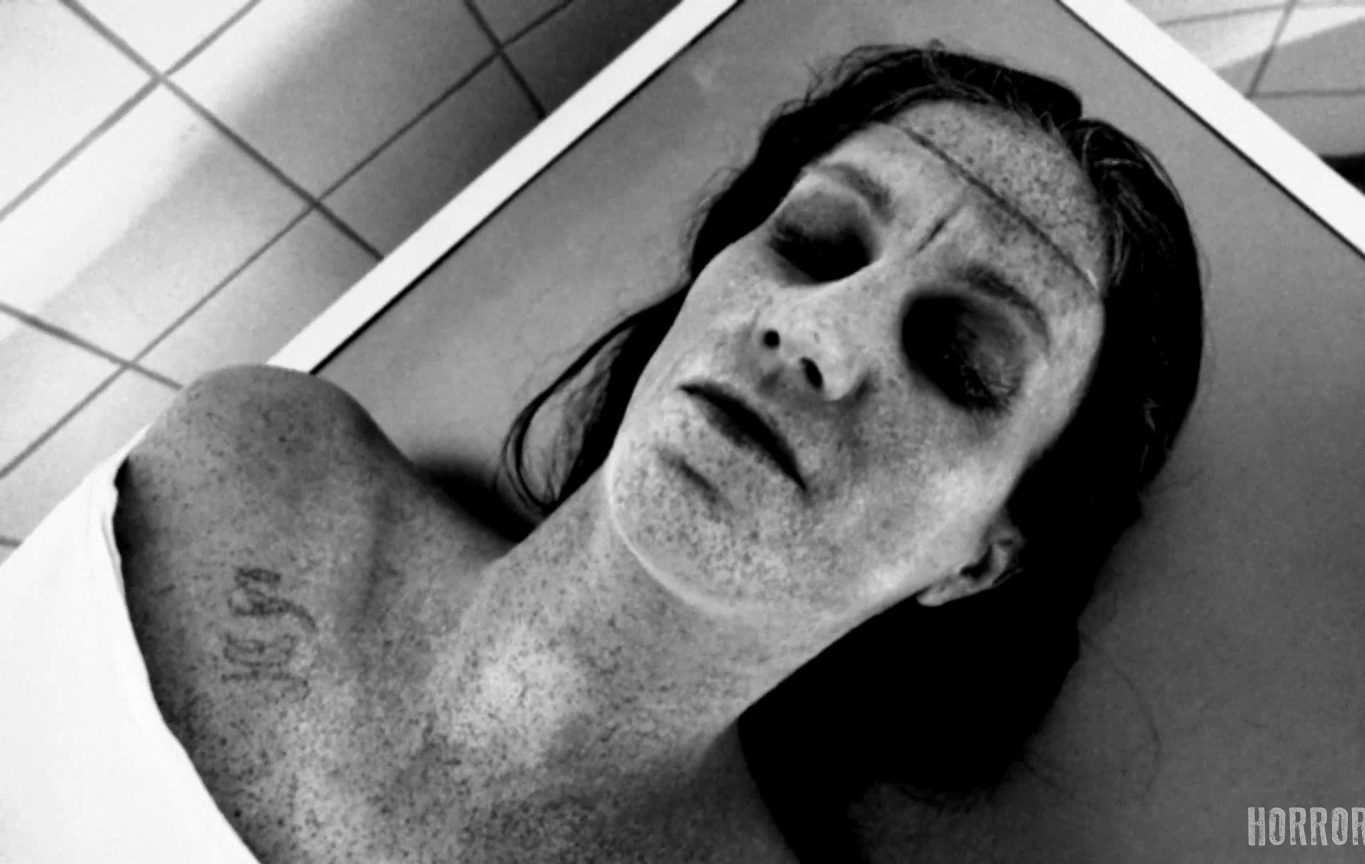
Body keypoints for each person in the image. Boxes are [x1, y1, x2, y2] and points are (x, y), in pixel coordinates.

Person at [0, 43, 1202, 864]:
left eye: (959, 360)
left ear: (980, 558)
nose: (819, 330)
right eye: (815, 241)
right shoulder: (260, 458)